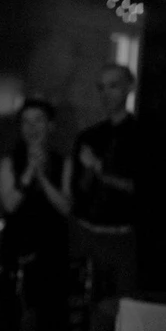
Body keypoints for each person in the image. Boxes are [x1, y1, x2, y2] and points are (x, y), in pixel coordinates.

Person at [0, 98, 72, 331]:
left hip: (52, 253)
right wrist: (29, 172)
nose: (32, 127)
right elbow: (10, 204)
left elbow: (66, 207)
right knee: (12, 320)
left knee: (50, 325)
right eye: (26, 121)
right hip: (16, 251)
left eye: (38, 120)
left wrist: (43, 177)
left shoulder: (63, 163)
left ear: (51, 125)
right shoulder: (9, 162)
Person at [69, 64, 144, 297]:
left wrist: (99, 170)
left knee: (116, 309)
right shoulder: (90, 136)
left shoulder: (142, 136)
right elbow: (79, 190)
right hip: (86, 234)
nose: (106, 94)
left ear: (130, 87)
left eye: (113, 86)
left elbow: (142, 189)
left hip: (121, 238)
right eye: (101, 87)